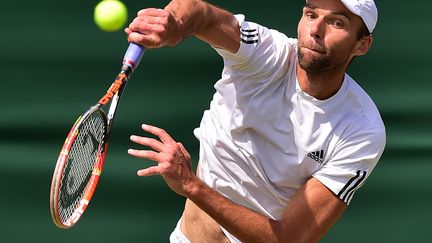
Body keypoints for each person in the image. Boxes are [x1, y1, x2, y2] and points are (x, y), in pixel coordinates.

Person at [125, 0, 386, 242]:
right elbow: (204, 15)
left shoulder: (362, 130)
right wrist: (174, 22)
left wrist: (192, 186)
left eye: (336, 22)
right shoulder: (267, 53)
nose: (315, 29)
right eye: (310, 14)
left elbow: (288, 238)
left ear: (361, 45)